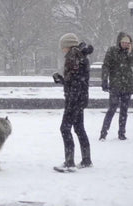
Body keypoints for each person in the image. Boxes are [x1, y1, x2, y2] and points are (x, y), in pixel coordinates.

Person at [52, 34, 93, 172]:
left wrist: (71, 101)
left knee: (65, 128)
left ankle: (70, 162)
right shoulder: (80, 57)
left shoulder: (73, 57)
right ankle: (86, 160)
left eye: (63, 46)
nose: (62, 49)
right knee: (79, 129)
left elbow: (76, 83)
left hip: (74, 100)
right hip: (79, 99)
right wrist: (62, 80)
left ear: (67, 46)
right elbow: (76, 81)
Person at [99, 32, 133, 141]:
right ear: (119, 42)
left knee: (124, 111)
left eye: (128, 42)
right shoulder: (112, 51)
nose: (125, 44)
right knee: (112, 108)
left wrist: (130, 52)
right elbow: (106, 65)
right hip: (115, 85)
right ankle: (103, 133)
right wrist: (104, 79)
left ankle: (122, 133)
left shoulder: (131, 52)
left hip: (127, 85)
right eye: (124, 42)